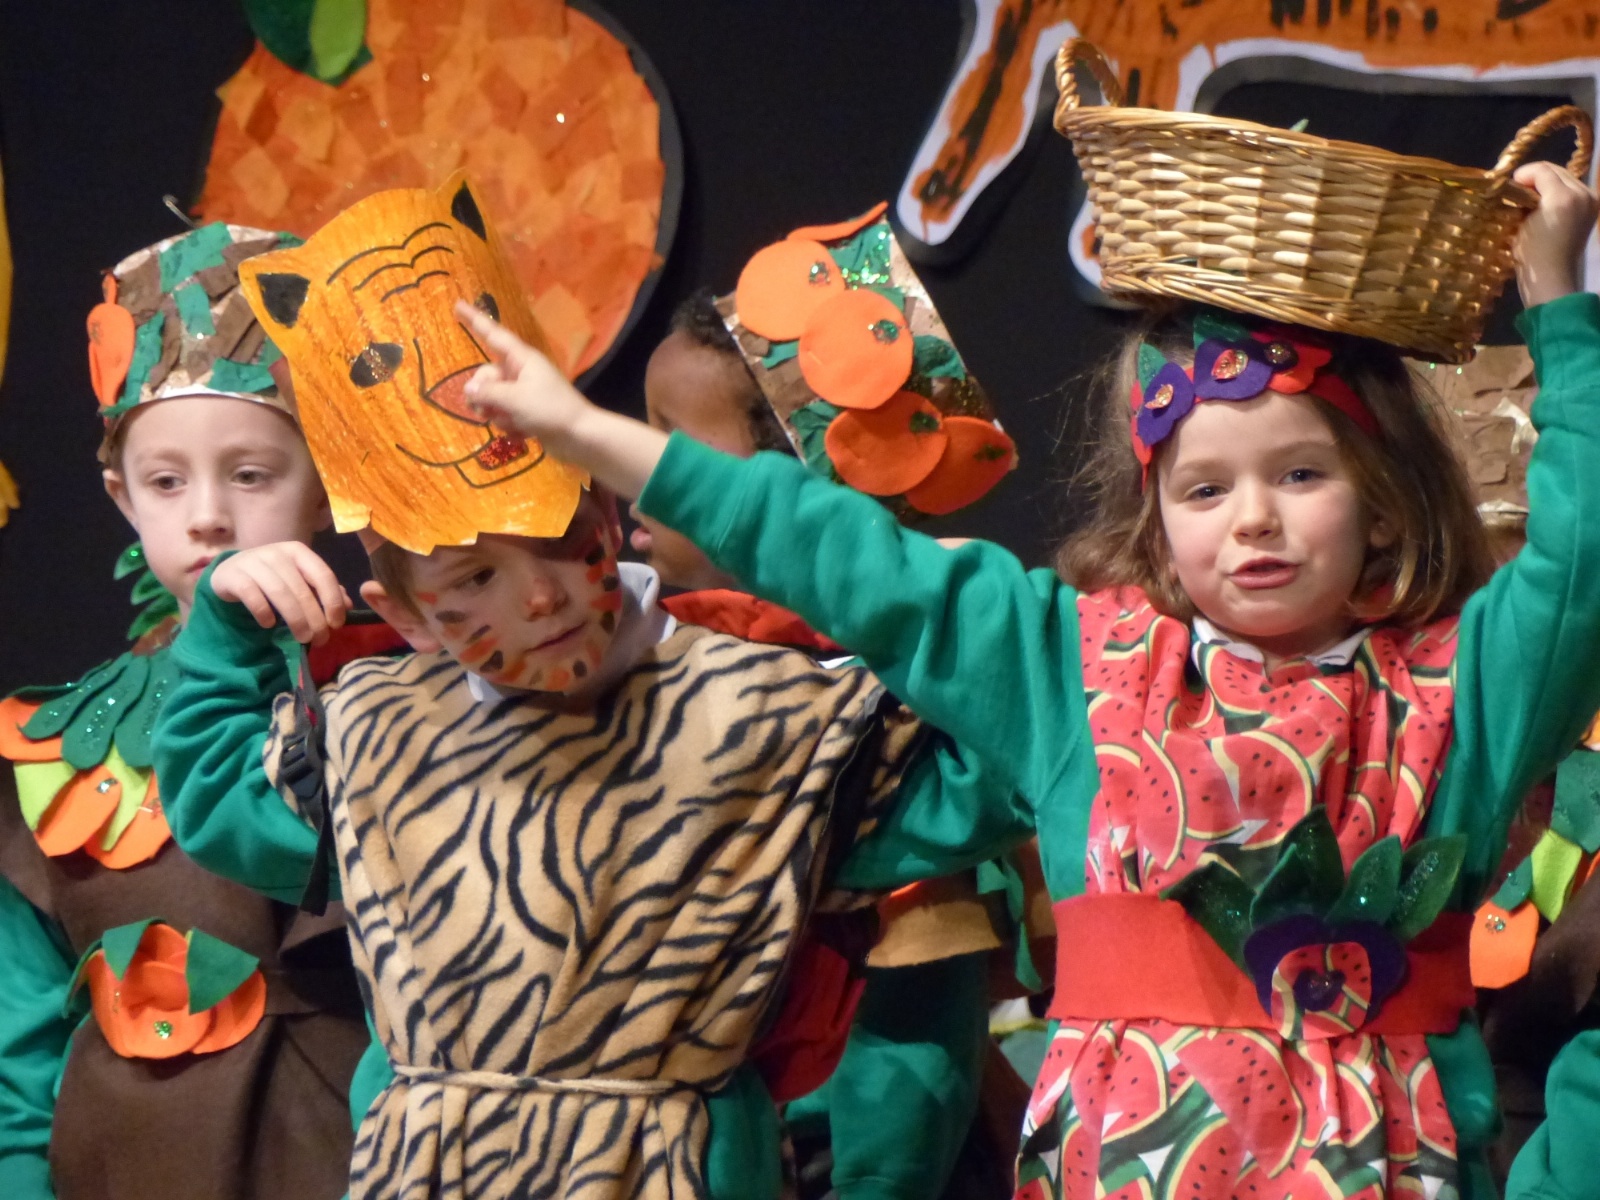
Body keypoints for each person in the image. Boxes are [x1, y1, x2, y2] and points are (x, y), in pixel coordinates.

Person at [449, 158, 1600, 1200]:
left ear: (1382, 499)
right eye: (1204, 489)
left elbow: (1582, 553)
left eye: (1300, 474)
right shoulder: (1071, 664)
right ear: (1155, 516)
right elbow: (831, 548)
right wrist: (581, 430)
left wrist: (1558, 300)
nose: (1253, 519)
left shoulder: (1462, 690)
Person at [150, 177, 1019, 1200]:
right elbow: (218, 798)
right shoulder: (378, 739)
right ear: (408, 614)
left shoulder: (769, 717)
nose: (537, 598)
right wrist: (229, 629)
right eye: (474, 578)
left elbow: (989, 775)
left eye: (560, 542)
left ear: (609, 517)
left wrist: (935, 600)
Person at [640, 283, 1042, 1200]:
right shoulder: (642, 653)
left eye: (670, 436)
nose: (637, 467)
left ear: (794, 479)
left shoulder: (904, 681)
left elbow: (917, 1053)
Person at [0, 223, 374, 1200]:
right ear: (123, 498)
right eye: (167, 482)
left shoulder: (407, 696)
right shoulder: (55, 748)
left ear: (329, 482)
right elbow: (20, 1042)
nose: (207, 514)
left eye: (250, 474)